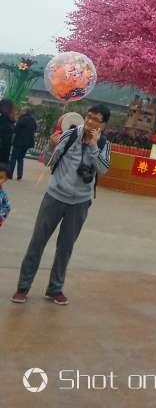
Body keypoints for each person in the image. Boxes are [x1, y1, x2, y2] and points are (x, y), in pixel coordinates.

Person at [11, 103, 112, 306]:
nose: (90, 121)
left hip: (80, 202)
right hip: (55, 196)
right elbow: (49, 161)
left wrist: (93, 145)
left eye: (96, 119)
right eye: (89, 116)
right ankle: (23, 287)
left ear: (103, 125)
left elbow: (103, 169)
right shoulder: (70, 134)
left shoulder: (104, 144)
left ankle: (55, 288)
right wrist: (50, 145)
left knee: (65, 247)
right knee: (37, 242)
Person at [9, 107, 37, 180]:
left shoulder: (22, 119)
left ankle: (10, 174)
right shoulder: (32, 120)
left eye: (21, 111)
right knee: (20, 158)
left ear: (25, 111)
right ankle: (19, 175)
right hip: (27, 143)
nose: (20, 112)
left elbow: (16, 129)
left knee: (13, 158)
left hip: (19, 142)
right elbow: (35, 129)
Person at [0, 98, 16, 164]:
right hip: (3, 157)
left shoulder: (6, 121)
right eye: (13, 108)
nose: (14, 111)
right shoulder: (7, 123)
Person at [0, 163, 11, 229]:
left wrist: (1, 218)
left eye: (1, 178)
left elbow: (7, 208)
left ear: (5, 179)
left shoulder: (2, 195)